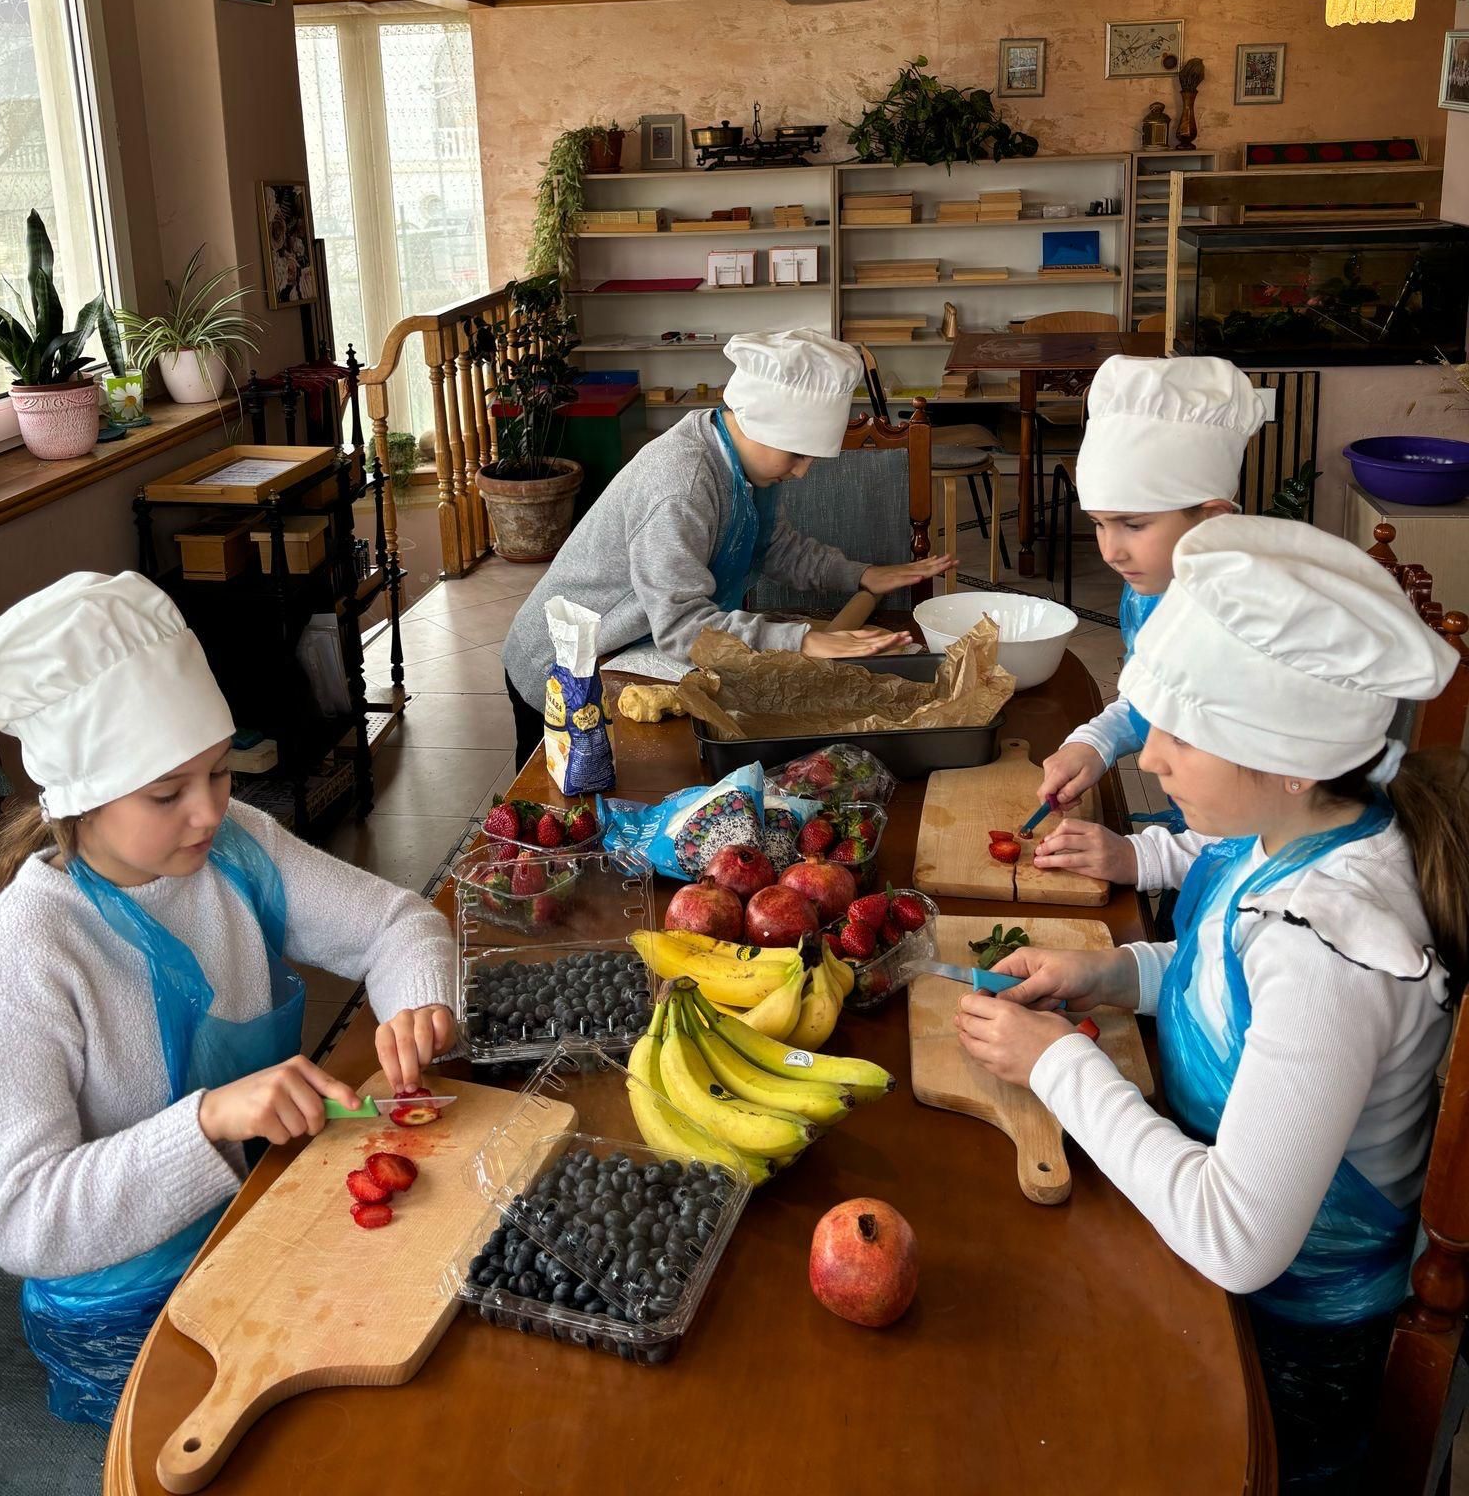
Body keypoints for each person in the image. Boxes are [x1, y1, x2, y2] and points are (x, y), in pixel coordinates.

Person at [956, 517, 1467, 1493]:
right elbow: (1220, 979)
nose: (1149, 760)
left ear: (1291, 759)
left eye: (1184, 735)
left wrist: (1059, 1065)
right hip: (1217, 1225)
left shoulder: (1334, 949)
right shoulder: (1282, 825)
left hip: (1290, 1342)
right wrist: (1111, 973)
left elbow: (1236, 1235)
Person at [0, 572, 456, 1427]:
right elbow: (20, 1217)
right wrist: (210, 1120)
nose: (209, 812)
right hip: (130, 1302)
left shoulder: (237, 851)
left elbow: (398, 924)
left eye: (220, 773)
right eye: (166, 794)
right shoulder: (29, 959)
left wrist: (416, 1005)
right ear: (80, 800)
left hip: (261, 1221)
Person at [502, 328, 954, 768]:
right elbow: (681, 627)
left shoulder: (744, 461)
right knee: (564, 800)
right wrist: (803, 641)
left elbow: (770, 545)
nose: (802, 473)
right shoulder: (682, 485)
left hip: (634, 643)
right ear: (757, 424)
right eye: (797, 455)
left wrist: (859, 575)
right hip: (564, 663)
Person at [1033, 354, 1265, 893]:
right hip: (1200, 841)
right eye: (1098, 524)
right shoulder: (1155, 588)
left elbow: (1272, 838)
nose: (1111, 550)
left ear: (1211, 518)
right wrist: (1095, 742)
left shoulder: (1249, 637)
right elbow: (1153, 695)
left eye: (1133, 525)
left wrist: (1144, 859)